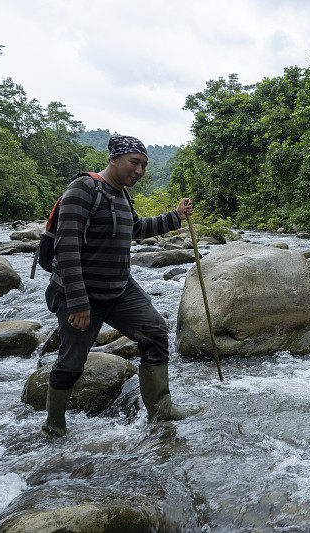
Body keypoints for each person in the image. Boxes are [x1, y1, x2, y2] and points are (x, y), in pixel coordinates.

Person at [41, 134, 201, 439]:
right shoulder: (83, 189)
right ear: (113, 159)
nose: (140, 170)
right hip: (82, 292)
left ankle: (161, 408)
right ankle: (54, 426)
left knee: (155, 332)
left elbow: (137, 229)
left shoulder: (122, 195)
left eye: (143, 165)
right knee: (71, 362)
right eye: (134, 162)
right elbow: (66, 247)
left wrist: (175, 217)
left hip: (119, 288)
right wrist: (77, 302)